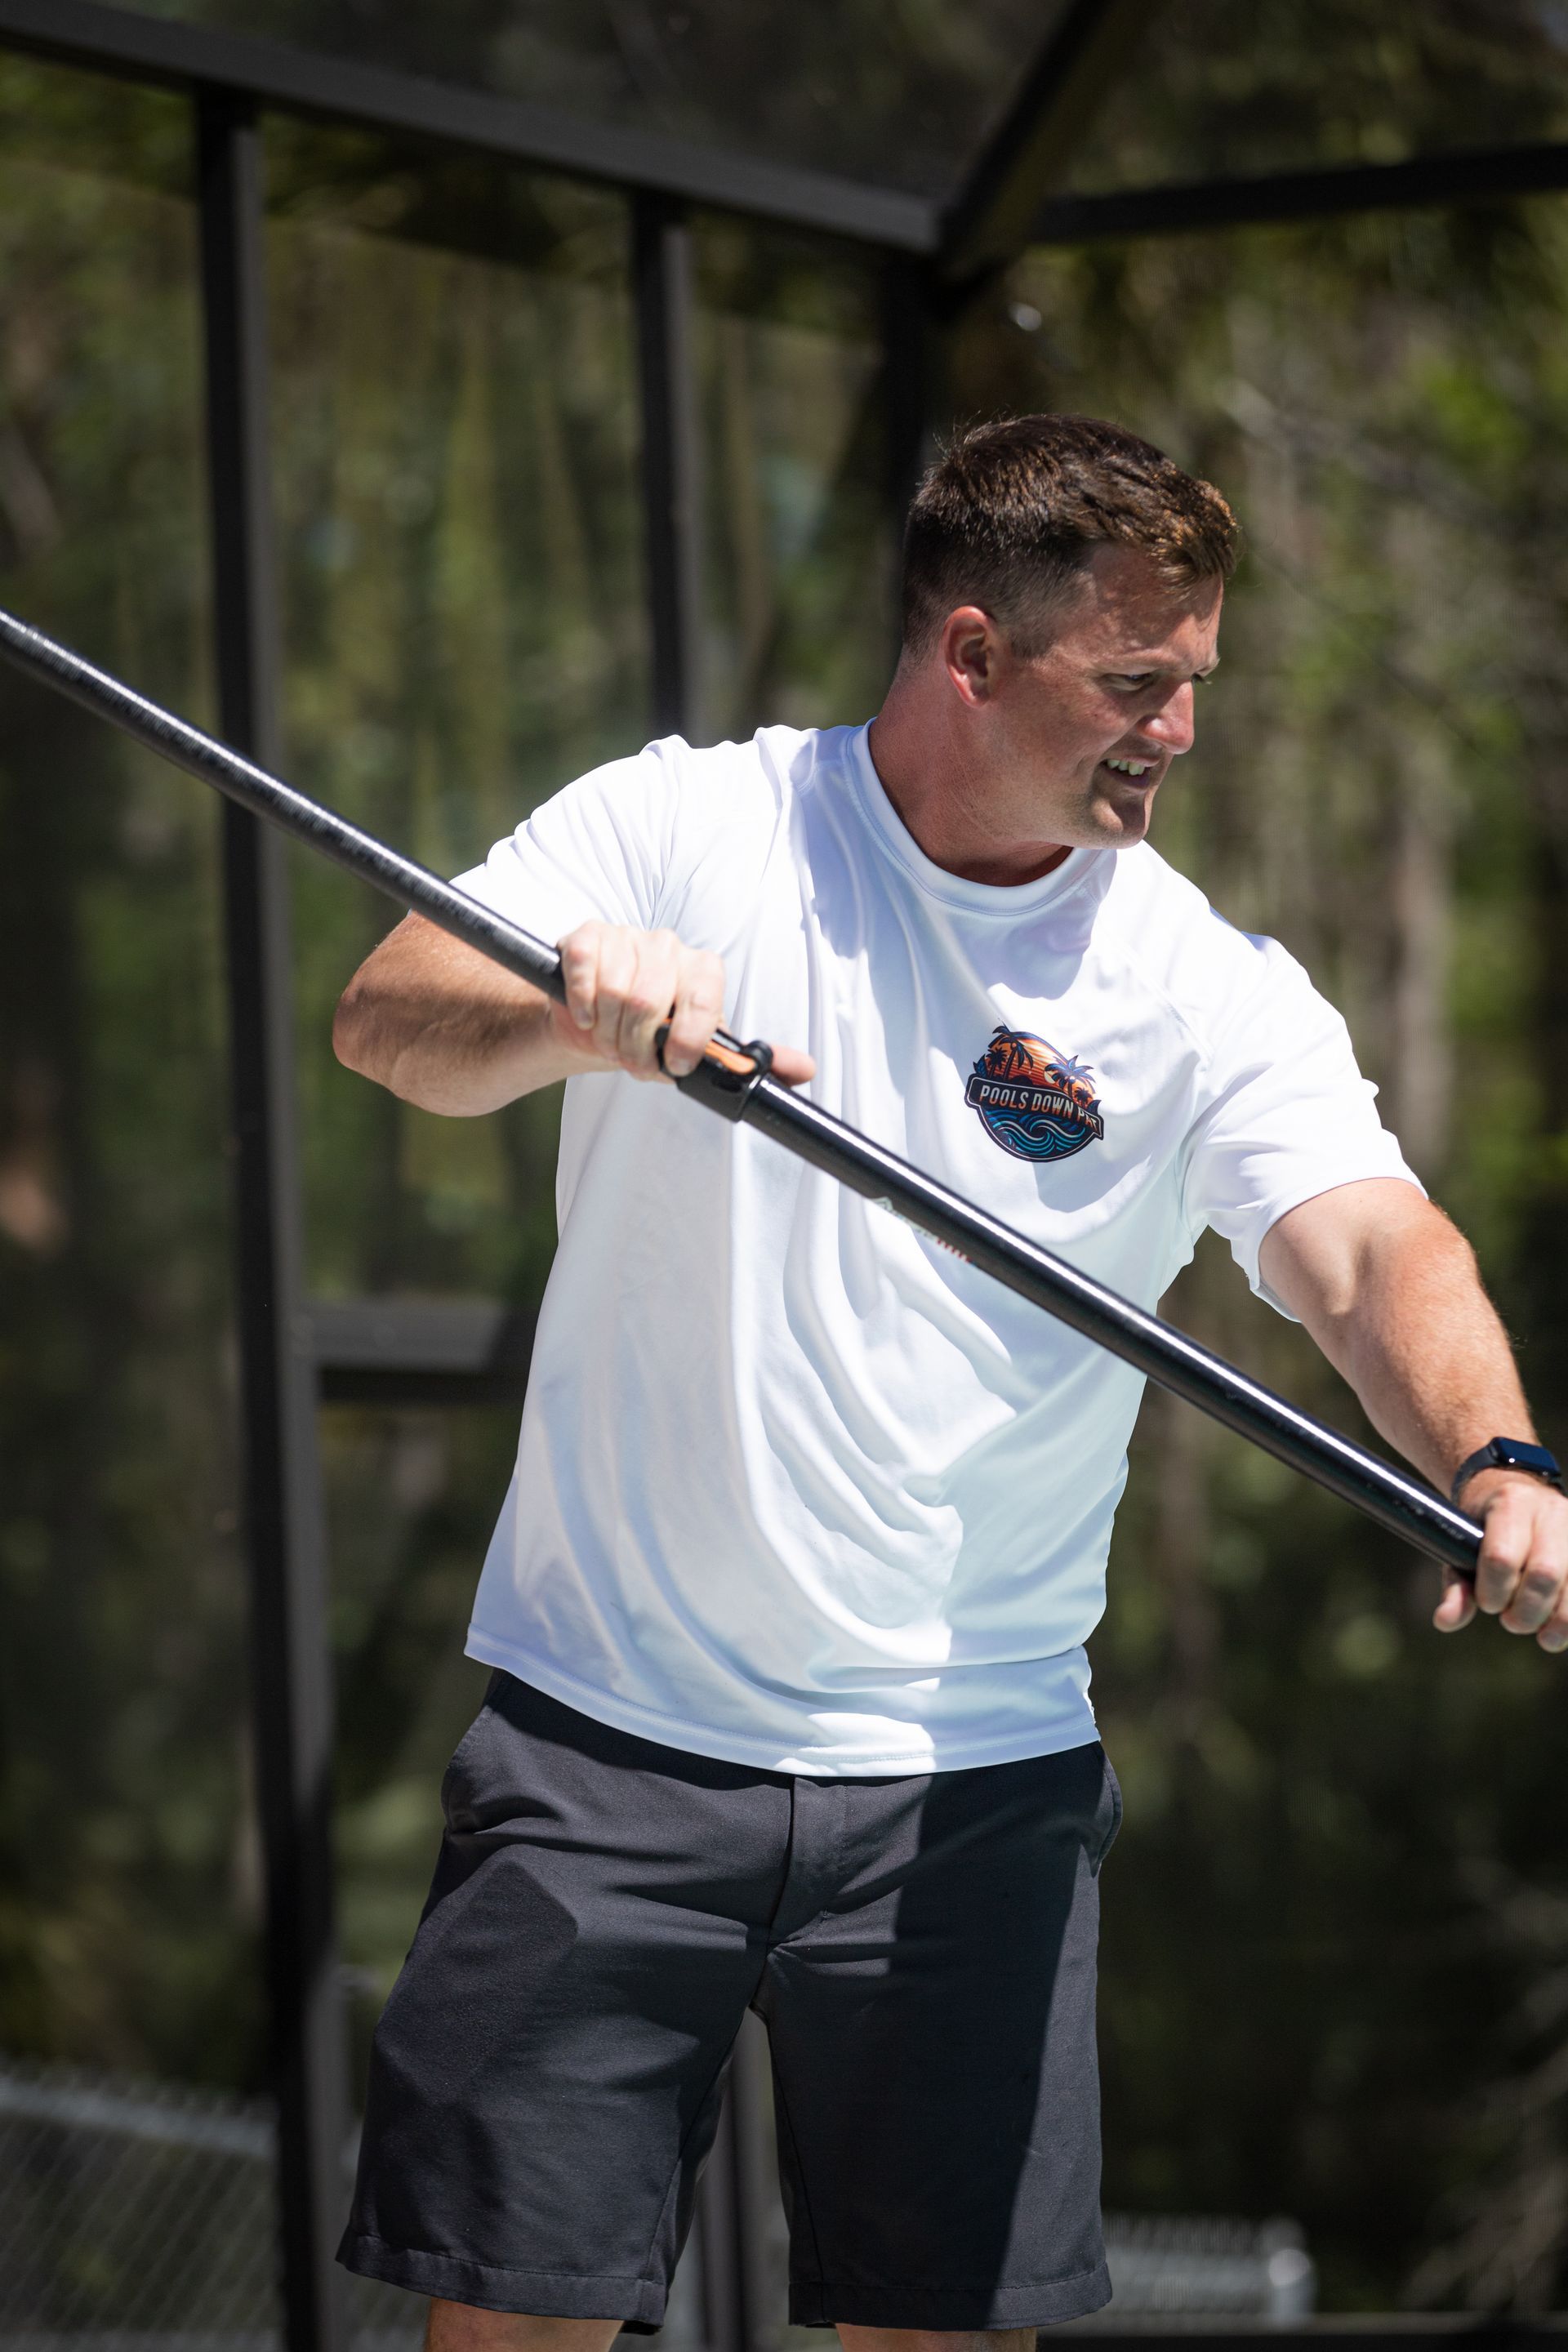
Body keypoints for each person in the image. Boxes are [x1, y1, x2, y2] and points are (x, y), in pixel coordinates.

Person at [331, 415, 1568, 2352]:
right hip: (608, 1742)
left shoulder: (1203, 986)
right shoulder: (688, 826)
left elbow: (1374, 1253)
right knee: (508, 2331)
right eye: (1135, 681)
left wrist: (1494, 1449)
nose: (1176, 727)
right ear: (972, 651)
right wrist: (567, 1012)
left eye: (1195, 682)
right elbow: (390, 1018)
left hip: (973, 1781)